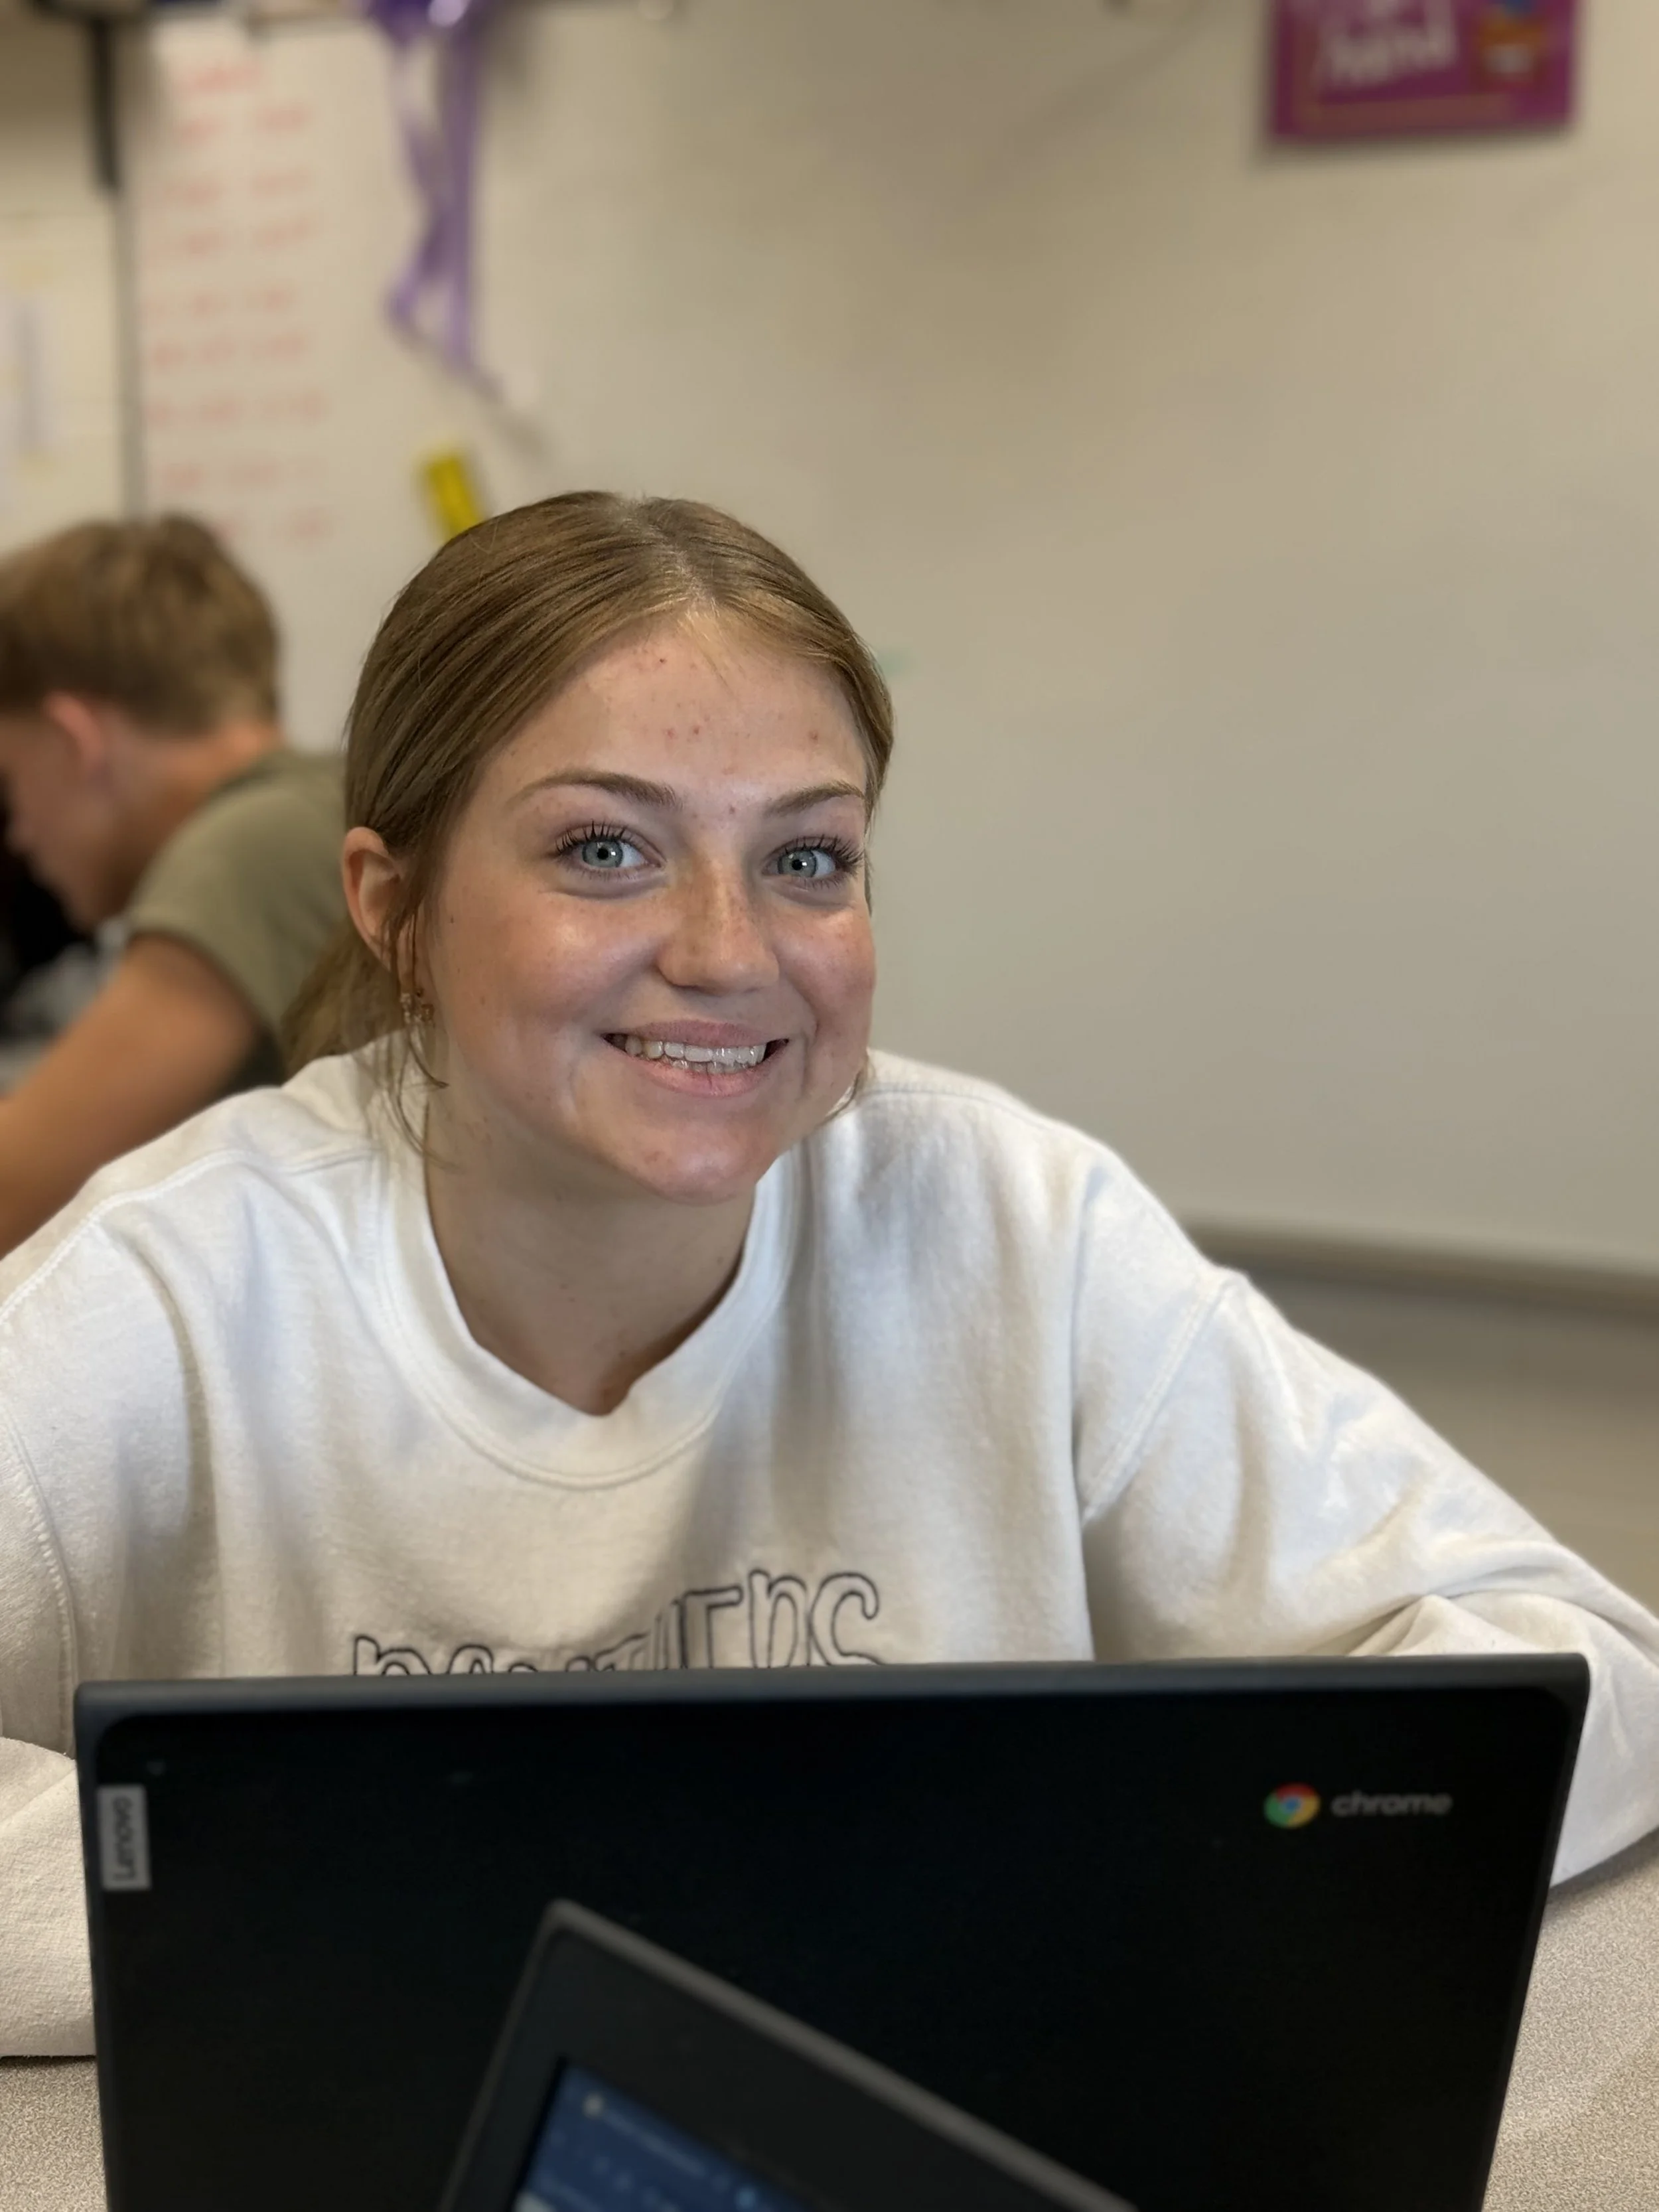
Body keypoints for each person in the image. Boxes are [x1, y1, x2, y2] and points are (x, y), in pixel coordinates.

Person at [1, 492, 1656, 2055]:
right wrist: (354, 1918)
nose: (730, 952)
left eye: (807, 858)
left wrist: (1133, 1861)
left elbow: (1586, 1667)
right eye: (604, 849)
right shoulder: (177, 1286)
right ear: (397, 908)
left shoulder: (1011, 1225)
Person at [0, 515, 344, 1254]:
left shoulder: (253, 849)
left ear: (73, 742)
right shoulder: (313, 810)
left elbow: (12, 1196)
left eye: (12, 781)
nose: (21, 834)